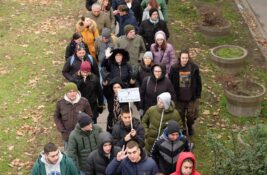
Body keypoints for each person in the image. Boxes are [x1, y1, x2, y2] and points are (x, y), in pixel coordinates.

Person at [169, 49, 202, 136]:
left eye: (186, 58)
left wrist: (198, 94)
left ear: (188, 58)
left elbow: (198, 82)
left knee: (191, 116)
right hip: (179, 98)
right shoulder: (174, 68)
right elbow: (171, 82)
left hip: (191, 97)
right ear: (180, 58)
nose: (185, 60)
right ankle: (183, 128)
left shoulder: (194, 67)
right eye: (183, 58)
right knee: (180, 115)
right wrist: (172, 95)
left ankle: (189, 126)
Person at [54, 82, 93, 150]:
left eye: (74, 91)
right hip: (67, 136)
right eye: (70, 92)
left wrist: (86, 128)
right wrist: (62, 130)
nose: (72, 94)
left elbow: (89, 116)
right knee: (69, 155)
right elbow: (57, 117)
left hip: (82, 135)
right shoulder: (60, 103)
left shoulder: (84, 102)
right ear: (66, 93)